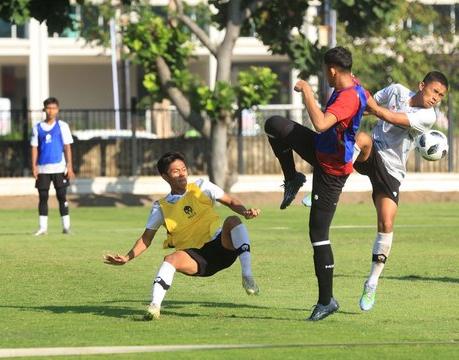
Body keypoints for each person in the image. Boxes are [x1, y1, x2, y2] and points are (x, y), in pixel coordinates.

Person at [264, 46, 369, 321]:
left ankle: (327, 301)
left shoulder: (348, 96)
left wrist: (307, 91)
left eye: (325, 71)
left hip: (331, 171)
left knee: (318, 233)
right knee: (273, 124)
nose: (325, 75)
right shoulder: (355, 85)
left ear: (332, 71)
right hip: (319, 149)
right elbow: (369, 104)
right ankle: (293, 178)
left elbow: (322, 123)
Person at [104, 150, 260, 320]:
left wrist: (245, 212)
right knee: (170, 259)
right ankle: (155, 306)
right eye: (175, 171)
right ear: (165, 176)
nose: (182, 174)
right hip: (195, 257)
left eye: (183, 169)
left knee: (232, 220)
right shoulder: (160, 207)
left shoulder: (202, 186)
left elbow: (230, 201)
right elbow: (146, 239)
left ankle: (247, 276)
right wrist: (127, 257)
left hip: (221, 246)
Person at [353, 71, 449, 311]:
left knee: (386, 224)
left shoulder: (428, 116)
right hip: (373, 151)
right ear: (421, 85)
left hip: (393, 170)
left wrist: (361, 94)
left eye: (441, 95)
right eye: (434, 91)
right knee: (361, 138)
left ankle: (372, 282)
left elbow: (390, 116)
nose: (436, 98)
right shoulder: (395, 90)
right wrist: (352, 102)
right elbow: (368, 107)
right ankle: (324, 189)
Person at [30, 97, 75, 236]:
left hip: (59, 168)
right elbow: (34, 147)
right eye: (48, 108)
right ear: (44, 109)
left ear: (58, 109)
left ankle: (66, 227)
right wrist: (34, 166)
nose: (51, 111)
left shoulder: (62, 126)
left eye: (54, 108)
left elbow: (67, 147)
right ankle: (42, 228)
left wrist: (70, 166)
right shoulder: (37, 127)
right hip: (43, 168)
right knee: (43, 197)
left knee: (62, 196)